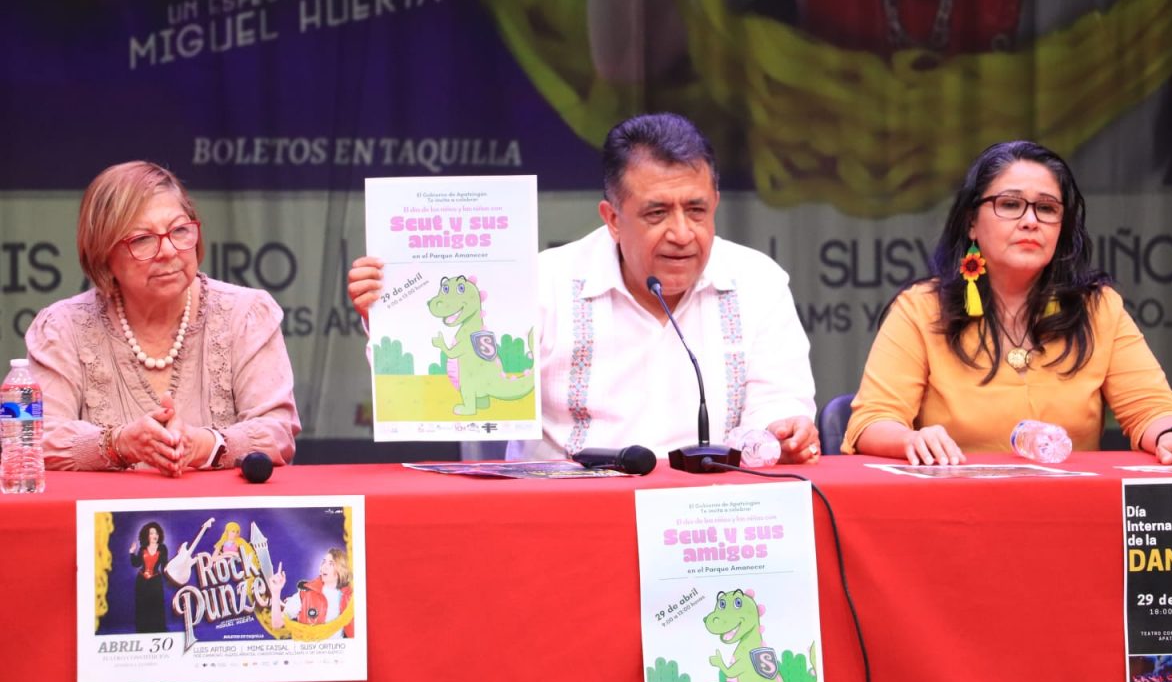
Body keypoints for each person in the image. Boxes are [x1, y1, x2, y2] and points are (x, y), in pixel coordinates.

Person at [348, 113, 820, 462]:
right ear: (612, 218)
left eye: (696, 210)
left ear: (715, 202)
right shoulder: (544, 283)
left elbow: (779, 401)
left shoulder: (757, 281)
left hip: (708, 511)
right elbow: (449, 391)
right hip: (562, 515)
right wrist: (392, 320)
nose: (681, 233)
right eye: (657, 213)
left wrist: (782, 431)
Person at [843, 140, 1172, 465]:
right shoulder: (921, 309)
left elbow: (1152, 407)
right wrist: (910, 439)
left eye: (1046, 208)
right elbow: (872, 421)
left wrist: (1170, 435)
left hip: (1072, 505)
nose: (1030, 221)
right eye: (1010, 204)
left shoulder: (1098, 309)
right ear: (971, 222)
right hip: (957, 506)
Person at [25, 161, 301, 475]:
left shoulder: (246, 314)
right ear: (103, 255)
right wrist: (117, 445)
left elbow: (277, 432)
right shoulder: (63, 327)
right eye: (142, 239)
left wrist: (204, 445)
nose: (168, 251)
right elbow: (29, 438)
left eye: (180, 231)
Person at [267, 548, 355, 639]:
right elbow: (277, 624)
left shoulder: (351, 598)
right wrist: (276, 592)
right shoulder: (305, 594)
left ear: (341, 570)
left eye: (331, 564)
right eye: (324, 562)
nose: (324, 567)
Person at [129, 521, 167, 633]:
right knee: (142, 606)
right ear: (147, 535)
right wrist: (131, 553)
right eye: (151, 533)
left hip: (155, 581)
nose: (154, 535)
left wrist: (177, 560)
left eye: (156, 533)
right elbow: (136, 564)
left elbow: (165, 566)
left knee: (156, 606)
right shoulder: (142, 549)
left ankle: (157, 629)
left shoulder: (163, 548)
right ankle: (143, 629)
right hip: (142, 582)